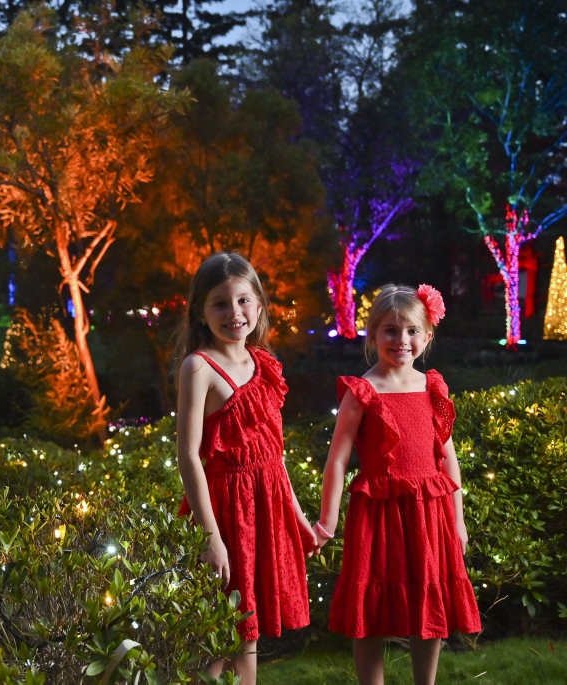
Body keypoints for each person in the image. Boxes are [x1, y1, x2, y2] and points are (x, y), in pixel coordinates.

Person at [314, 284, 481, 685]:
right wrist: (327, 522)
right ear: (372, 336)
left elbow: (448, 458)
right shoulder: (363, 393)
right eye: (390, 330)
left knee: (429, 603)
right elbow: (337, 460)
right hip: (379, 513)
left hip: (429, 512)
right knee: (370, 611)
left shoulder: (431, 387)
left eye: (411, 331)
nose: (401, 340)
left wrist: (457, 521)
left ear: (426, 336)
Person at [174, 252, 315, 683]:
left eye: (242, 301)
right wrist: (210, 536)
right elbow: (188, 456)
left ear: (258, 306)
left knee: (247, 635)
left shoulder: (263, 362)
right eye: (219, 303)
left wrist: (297, 515)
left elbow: (272, 453)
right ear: (201, 311)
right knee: (216, 635)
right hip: (223, 513)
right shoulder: (199, 367)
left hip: (264, 510)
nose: (233, 313)